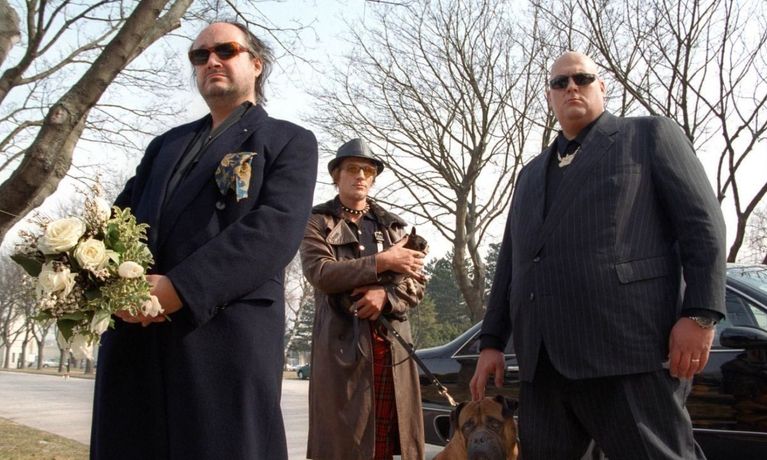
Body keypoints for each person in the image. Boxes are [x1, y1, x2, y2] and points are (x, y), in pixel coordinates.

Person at [470, 51, 726, 459]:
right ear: (550, 97)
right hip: (544, 364)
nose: (571, 87)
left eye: (582, 78)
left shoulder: (648, 137)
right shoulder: (530, 174)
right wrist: (491, 341)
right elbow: (512, 264)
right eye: (560, 83)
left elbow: (703, 225)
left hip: (627, 350)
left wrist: (700, 314)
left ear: (602, 87)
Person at [90, 21, 318, 459]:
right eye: (200, 55)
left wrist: (180, 289)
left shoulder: (289, 141)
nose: (211, 60)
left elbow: (273, 230)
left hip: (222, 339)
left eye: (225, 50)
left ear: (256, 63)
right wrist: (110, 285)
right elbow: (119, 222)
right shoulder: (164, 146)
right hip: (138, 336)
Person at [300, 138, 426, 460]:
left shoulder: (393, 227)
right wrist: (382, 262)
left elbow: (416, 284)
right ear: (336, 175)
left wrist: (386, 295)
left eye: (368, 171)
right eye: (353, 169)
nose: (360, 176)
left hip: (391, 345)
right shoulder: (317, 221)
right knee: (345, 447)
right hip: (341, 348)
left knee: (385, 445)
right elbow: (321, 273)